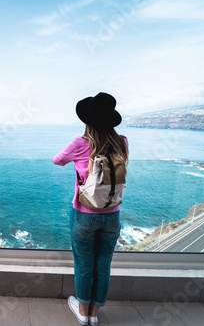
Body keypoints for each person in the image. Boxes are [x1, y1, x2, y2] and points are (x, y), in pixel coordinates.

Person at [53, 92, 129, 326]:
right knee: (103, 265)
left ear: (88, 121)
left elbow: (57, 160)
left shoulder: (81, 143)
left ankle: (83, 312)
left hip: (85, 214)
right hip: (112, 216)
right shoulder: (122, 142)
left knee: (84, 264)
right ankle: (94, 315)